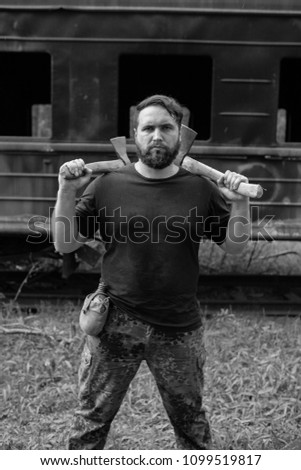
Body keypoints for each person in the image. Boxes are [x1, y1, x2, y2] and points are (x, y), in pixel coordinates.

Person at [53, 94, 250, 450]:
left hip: (178, 326)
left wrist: (240, 202)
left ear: (179, 134)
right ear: (135, 135)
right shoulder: (108, 184)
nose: (156, 135)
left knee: (191, 423)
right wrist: (66, 190)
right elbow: (65, 244)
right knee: (90, 422)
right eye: (148, 128)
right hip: (114, 322)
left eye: (166, 127)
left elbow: (235, 245)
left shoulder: (201, 187)